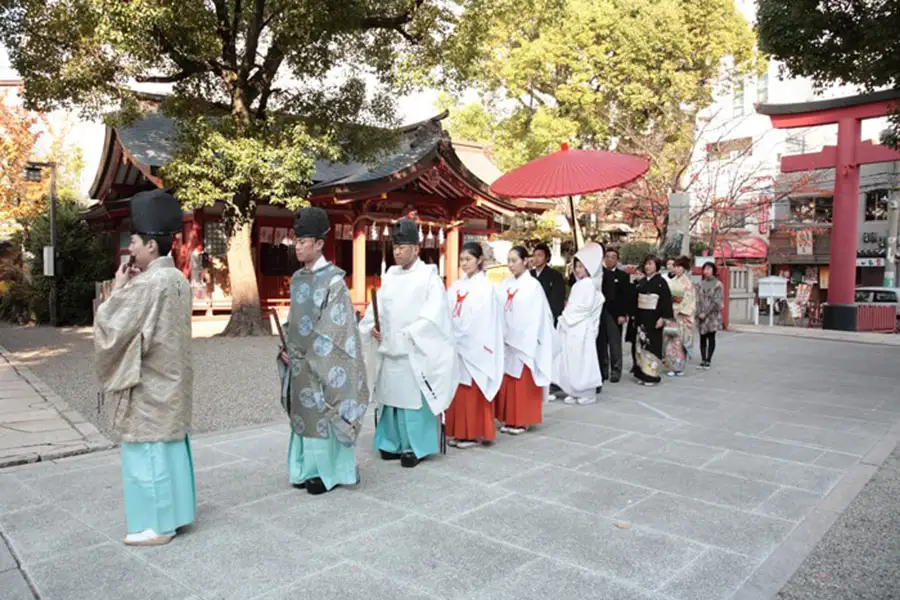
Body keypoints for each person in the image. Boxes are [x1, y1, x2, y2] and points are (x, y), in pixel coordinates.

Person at [94, 189, 194, 547]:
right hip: (171, 378)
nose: (130, 249)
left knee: (148, 451)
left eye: (134, 241)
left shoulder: (147, 285)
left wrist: (118, 289)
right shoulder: (178, 279)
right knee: (168, 449)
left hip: (150, 384)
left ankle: (156, 524)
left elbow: (112, 327)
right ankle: (177, 514)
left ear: (152, 246)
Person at [277, 207, 369, 495]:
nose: (297, 246)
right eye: (296, 240)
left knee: (322, 410)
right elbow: (295, 319)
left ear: (319, 244)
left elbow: (338, 328)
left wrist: (313, 352)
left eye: (303, 241)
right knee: (304, 413)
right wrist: (286, 345)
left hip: (321, 361)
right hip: (301, 361)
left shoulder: (334, 280)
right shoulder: (298, 278)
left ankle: (329, 472)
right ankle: (304, 468)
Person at [360, 219, 456, 468]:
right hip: (389, 349)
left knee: (412, 402)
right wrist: (373, 327)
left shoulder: (429, 277)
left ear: (416, 249)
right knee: (390, 399)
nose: (398, 251)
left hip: (412, 350)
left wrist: (411, 333)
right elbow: (376, 307)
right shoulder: (390, 275)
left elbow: (435, 315)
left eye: (403, 246)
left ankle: (415, 446)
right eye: (395, 246)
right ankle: (390, 443)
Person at [445, 242, 504, 448]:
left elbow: (483, 318)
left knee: (472, 388)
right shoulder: (456, 286)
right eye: (461, 259)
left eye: (468, 259)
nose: (464, 263)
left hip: (474, 344)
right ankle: (457, 431)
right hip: (456, 343)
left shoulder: (486, 287)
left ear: (479, 260)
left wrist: (462, 334)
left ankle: (471, 433)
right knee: (457, 388)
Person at [495, 246, 557, 434]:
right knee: (508, 381)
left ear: (525, 261)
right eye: (509, 260)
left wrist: (522, 335)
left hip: (525, 340)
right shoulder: (504, 284)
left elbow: (536, 316)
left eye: (514, 260)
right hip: (507, 339)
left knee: (522, 381)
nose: (511, 264)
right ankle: (509, 418)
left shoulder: (533, 286)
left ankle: (522, 420)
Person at [555, 242, 605, 405]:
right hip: (572, 326)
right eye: (576, 266)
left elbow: (584, 308)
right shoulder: (578, 285)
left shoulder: (589, 285)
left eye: (582, 267)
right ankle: (574, 390)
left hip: (581, 326)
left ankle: (587, 391)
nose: (578, 270)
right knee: (572, 358)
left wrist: (567, 317)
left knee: (583, 359)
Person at [631, 254, 674, 386]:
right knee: (640, 346)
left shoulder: (661, 282)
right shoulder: (642, 281)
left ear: (657, 266)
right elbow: (635, 299)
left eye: (651, 264)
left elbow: (666, 302)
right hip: (641, 317)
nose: (648, 266)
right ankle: (641, 373)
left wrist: (663, 318)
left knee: (652, 345)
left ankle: (651, 375)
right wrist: (633, 315)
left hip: (654, 317)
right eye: (646, 264)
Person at [597, 246, 630, 383]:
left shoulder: (623, 276)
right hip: (600, 312)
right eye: (608, 257)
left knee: (615, 344)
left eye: (613, 257)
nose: (610, 259)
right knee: (601, 342)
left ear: (617, 259)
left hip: (615, 314)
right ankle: (603, 370)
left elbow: (625, 297)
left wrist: (623, 314)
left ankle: (616, 370)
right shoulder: (599, 274)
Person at [663, 256, 697, 377]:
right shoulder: (672, 281)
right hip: (671, 313)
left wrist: (681, 310)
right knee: (669, 341)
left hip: (681, 315)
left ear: (684, 268)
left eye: (679, 267)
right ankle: (670, 366)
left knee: (679, 342)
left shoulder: (688, 283)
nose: (676, 269)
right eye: (675, 266)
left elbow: (690, 300)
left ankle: (680, 367)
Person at [695, 261, 724, 369]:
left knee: (711, 336)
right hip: (700, 314)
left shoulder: (718, 285)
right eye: (705, 269)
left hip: (712, 316)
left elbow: (717, 301)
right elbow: (696, 299)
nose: (706, 271)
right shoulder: (699, 284)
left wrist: (706, 313)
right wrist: (698, 312)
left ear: (713, 270)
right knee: (702, 336)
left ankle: (708, 359)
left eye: (709, 269)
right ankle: (703, 359)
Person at [530, 243, 566, 326]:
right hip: (531, 316)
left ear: (547, 257)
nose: (536, 258)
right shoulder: (529, 275)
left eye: (540, 255)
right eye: (534, 256)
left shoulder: (555, 275)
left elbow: (557, 300)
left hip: (547, 315)